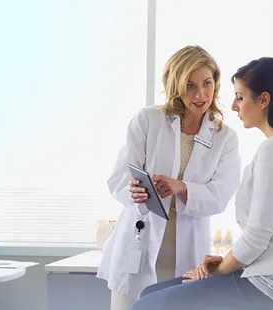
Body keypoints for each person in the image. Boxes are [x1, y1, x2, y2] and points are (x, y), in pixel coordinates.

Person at [132, 57, 273, 310]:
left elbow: (257, 236)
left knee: (145, 305)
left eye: (241, 97)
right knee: (151, 292)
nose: (234, 105)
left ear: (264, 100)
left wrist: (220, 270)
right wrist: (227, 262)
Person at [97, 45, 242, 310]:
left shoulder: (224, 137)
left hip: (187, 249)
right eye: (190, 85)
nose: (200, 94)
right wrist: (133, 192)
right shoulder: (149, 120)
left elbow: (220, 196)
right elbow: (118, 177)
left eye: (207, 83)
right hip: (140, 244)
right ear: (175, 85)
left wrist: (181, 187)